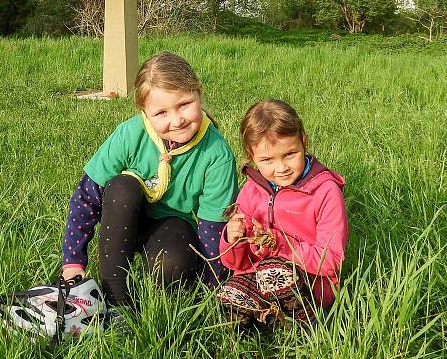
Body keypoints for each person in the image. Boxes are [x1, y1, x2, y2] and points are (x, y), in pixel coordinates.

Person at [61, 51, 239, 308]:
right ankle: (116, 299)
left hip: (171, 226)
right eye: (161, 113)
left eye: (185, 104)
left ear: (199, 92)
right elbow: (86, 197)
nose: (177, 120)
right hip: (121, 219)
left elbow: (213, 228)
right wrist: (73, 263)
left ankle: (158, 275)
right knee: (122, 188)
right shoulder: (128, 134)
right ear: (144, 111)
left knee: (173, 267)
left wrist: (210, 289)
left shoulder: (217, 154)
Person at [218, 99, 348, 326]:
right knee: (230, 295)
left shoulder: (325, 191)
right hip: (258, 275)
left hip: (311, 282)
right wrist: (232, 238)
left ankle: (311, 323)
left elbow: (330, 260)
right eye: (267, 160)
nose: (281, 168)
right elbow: (235, 264)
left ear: (303, 141)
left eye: (289, 154)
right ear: (252, 155)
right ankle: (269, 322)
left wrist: (279, 243)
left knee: (273, 271)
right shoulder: (251, 190)